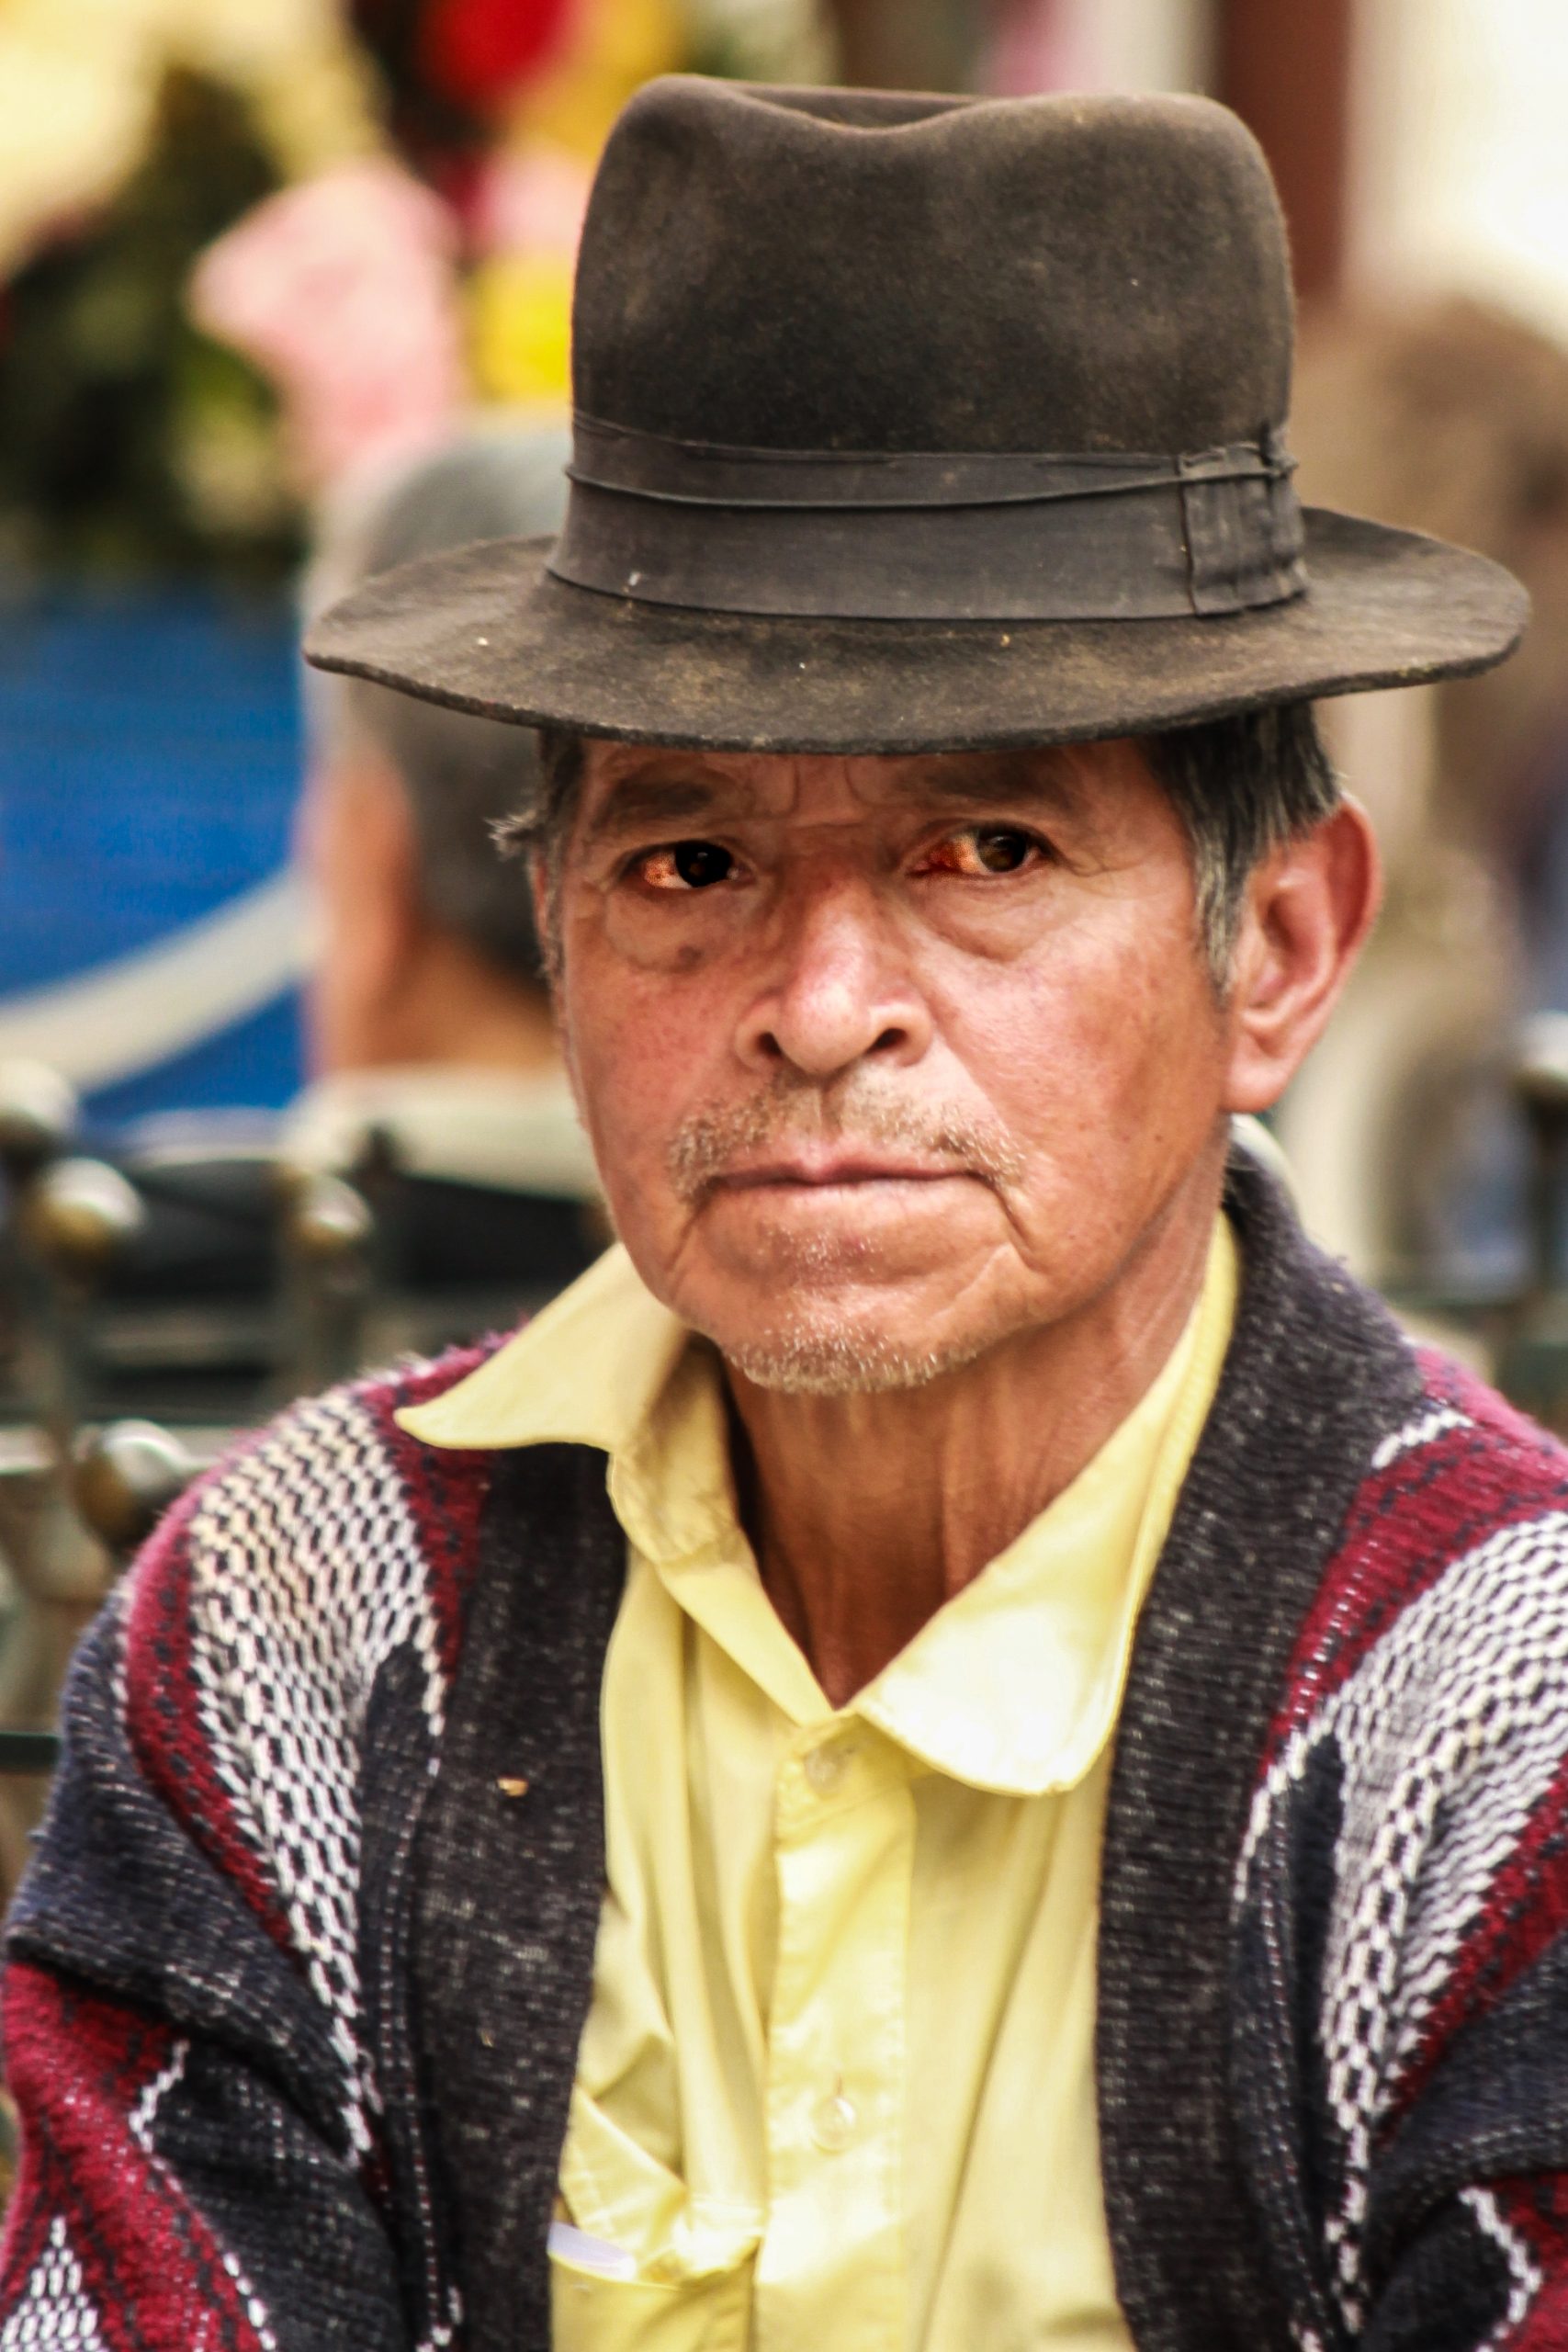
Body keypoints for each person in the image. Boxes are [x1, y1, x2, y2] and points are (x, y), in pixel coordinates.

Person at [0, 79, 1553, 2352]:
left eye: (987, 854)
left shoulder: (1502, 1723)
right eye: (688, 863)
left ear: (1277, 947)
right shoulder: (286, 1633)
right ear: (554, 937)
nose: (820, 1008)